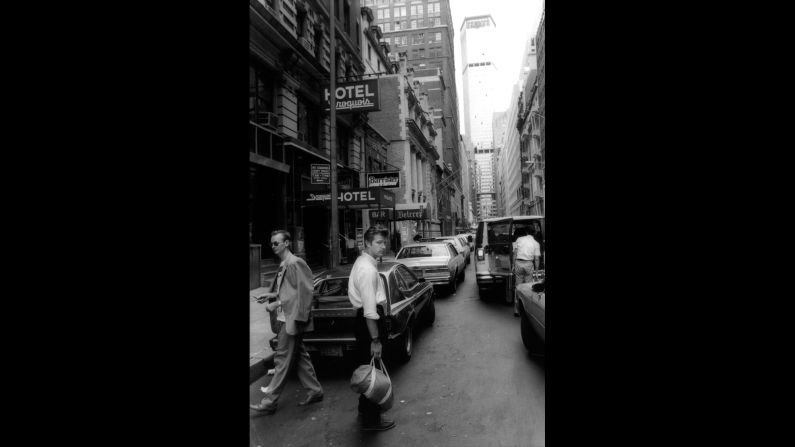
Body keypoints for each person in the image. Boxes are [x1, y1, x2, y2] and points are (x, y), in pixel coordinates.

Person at [250, 230, 323, 414]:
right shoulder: (284, 264)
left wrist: (277, 303)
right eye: (271, 243)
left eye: (276, 243)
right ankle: (315, 391)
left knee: (282, 358)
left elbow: (304, 292)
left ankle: (270, 401)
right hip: (286, 318)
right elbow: (288, 290)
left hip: (290, 319)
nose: (273, 246)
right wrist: (272, 294)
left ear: (287, 243)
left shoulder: (295, 263)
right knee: (299, 356)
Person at [348, 225, 396, 432]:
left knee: (368, 369)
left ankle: (364, 412)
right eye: (378, 242)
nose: (383, 246)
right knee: (373, 372)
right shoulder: (367, 269)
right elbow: (369, 310)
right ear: (367, 243)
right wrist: (375, 340)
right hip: (369, 323)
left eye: (384, 242)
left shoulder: (363, 262)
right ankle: (371, 421)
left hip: (364, 322)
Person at [512, 227, 541, 317]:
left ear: (526, 232)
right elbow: (536, 259)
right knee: (528, 289)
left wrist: (513, 265)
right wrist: (536, 271)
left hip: (519, 263)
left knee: (518, 286)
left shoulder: (519, 239)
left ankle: (517, 311)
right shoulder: (536, 243)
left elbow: (515, 253)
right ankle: (527, 311)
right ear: (534, 234)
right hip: (529, 264)